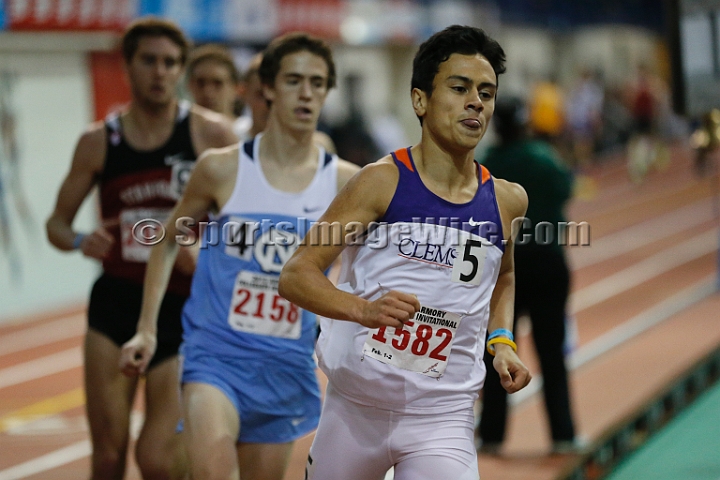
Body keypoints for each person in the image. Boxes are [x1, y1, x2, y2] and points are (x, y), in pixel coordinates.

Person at [279, 25, 531, 480]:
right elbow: (297, 274)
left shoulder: (508, 200)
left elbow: (505, 277)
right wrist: (361, 310)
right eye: (460, 88)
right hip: (355, 410)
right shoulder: (380, 182)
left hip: (443, 417)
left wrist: (502, 343)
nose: (477, 101)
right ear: (420, 100)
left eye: (487, 92)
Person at [119, 32, 359, 480]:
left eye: (317, 82)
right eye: (293, 80)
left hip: (286, 364)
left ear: (327, 91)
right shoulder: (221, 167)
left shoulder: (347, 183)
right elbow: (168, 240)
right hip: (216, 354)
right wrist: (147, 330)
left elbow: (375, 263)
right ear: (266, 88)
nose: (306, 92)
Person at [45, 17, 237, 480]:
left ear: (181, 71)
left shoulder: (213, 136)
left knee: (159, 460)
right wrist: (77, 240)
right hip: (116, 305)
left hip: (185, 309)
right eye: (149, 60)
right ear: (127, 66)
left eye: (171, 63)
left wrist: (205, 250)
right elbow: (55, 223)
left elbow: (249, 229)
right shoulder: (98, 143)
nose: (160, 72)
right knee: (108, 456)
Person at [477, 96, 578, 454]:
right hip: (548, 264)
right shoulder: (545, 159)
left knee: (497, 350)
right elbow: (567, 190)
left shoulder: (485, 164)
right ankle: (563, 435)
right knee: (552, 354)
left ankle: (491, 436)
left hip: (504, 269)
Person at [237, 51, 337, 153]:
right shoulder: (229, 137)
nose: (270, 104)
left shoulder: (318, 147)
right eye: (261, 95)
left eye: (279, 94)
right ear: (243, 93)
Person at [186, 43, 242, 123]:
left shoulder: (252, 134)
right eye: (201, 83)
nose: (208, 92)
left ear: (236, 89)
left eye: (218, 83)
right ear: (190, 85)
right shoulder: (175, 133)